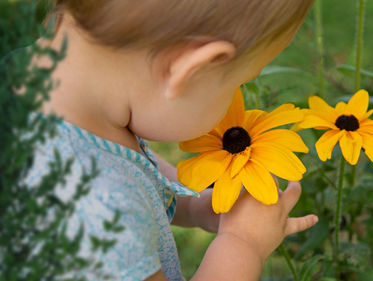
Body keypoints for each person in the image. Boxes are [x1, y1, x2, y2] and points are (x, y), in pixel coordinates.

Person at [29, 1, 318, 280]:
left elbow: (127, 164)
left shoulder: (55, 99)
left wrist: (195, 207)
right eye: (237, 84)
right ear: (188, 70)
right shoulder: (96, 211)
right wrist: (244, 244)